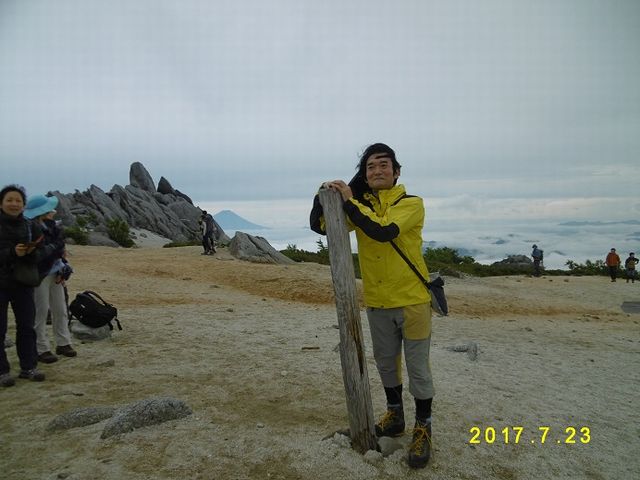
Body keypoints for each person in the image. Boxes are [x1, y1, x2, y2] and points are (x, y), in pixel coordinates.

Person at [310, 143, 435, 469]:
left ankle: (423, 427)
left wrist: (350, 201)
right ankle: (395, 416)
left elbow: (383, 231)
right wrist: (323, 194)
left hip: (413, 302)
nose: (377, 171)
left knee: (418, 369)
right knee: (386, 365)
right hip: (378, 303)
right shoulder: (361, 208)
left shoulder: (411, 204)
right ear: (364, 176)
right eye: (370, 167)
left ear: (396, 171)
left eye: (383, 165)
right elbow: (321, 225)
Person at [0, 185, 47, 387]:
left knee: (27, 326)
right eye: (9, 200)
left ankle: (29, 367)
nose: (14, 204)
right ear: (1, 203)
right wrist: (12, 253)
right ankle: (2, 371)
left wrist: (31, 253)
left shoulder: (30, 226)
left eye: (18, 200)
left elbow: (42, 252)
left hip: (23, 283)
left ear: (24, 205)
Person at [24, 194, 77, 364]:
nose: (53, 212)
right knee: (40, 312)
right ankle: (41, 348)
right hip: (39, 275)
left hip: (55, 273)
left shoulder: (53, 228)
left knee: (60, 309)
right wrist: (55, 251)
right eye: (49, 209)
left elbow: (59, 252)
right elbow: (38, 254)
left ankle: (63, 342)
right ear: (43, 212)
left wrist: (63, 269)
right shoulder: (30, 230)